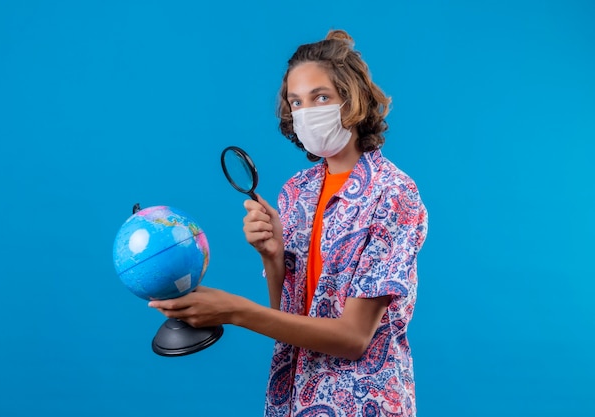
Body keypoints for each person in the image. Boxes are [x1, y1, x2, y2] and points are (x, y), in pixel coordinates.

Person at [149, 29, 428, 417]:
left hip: (366, 404)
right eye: (297, 102)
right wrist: (273, 256)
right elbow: (289, 314)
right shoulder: (298, 191)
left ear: (353, 100)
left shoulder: (394, 194)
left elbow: (353, 338)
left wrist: (234, 311)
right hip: (296, 399)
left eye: (321, 97)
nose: (307, 112)